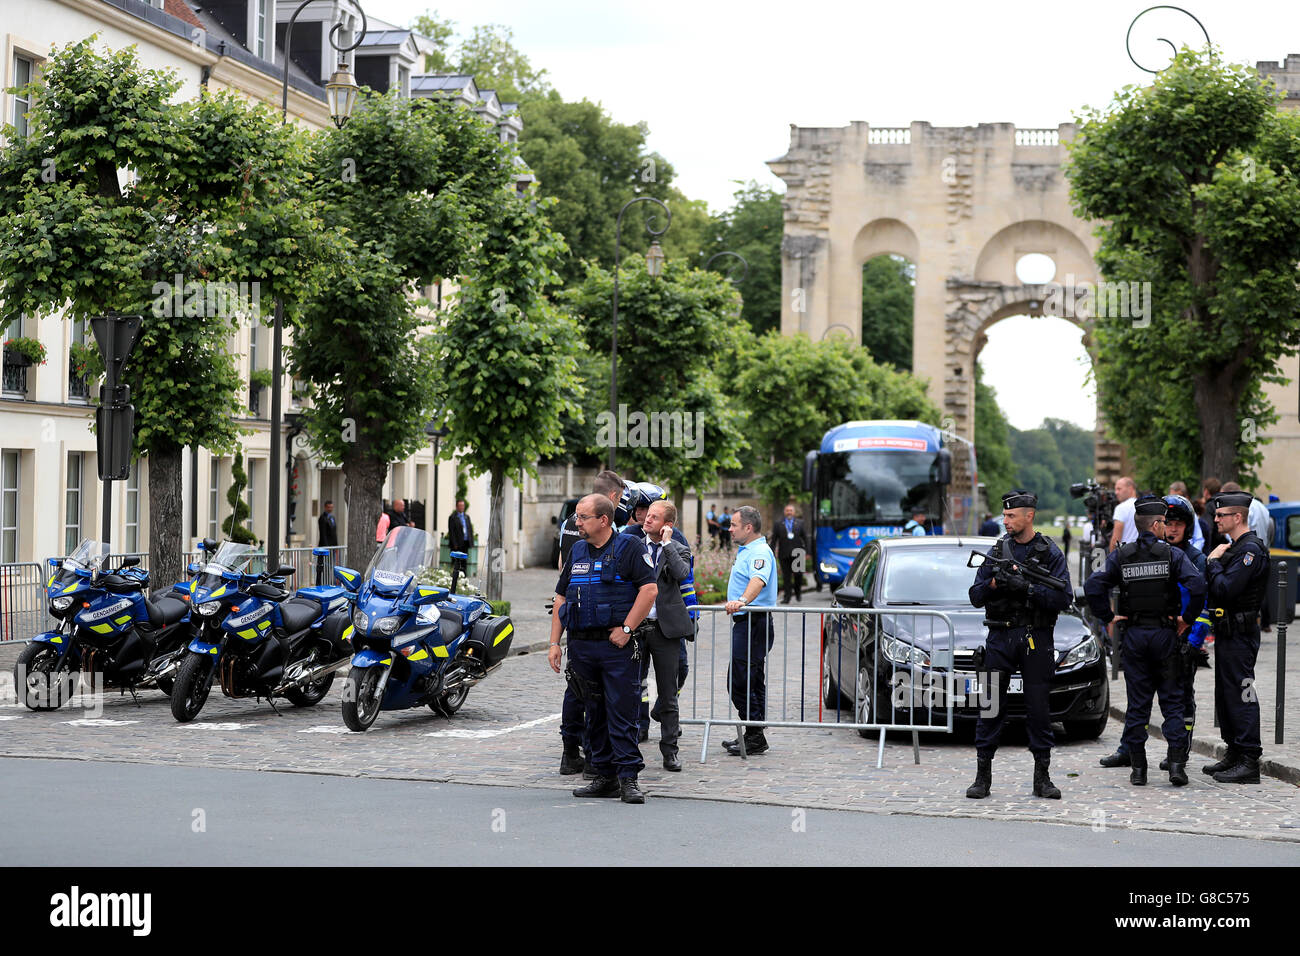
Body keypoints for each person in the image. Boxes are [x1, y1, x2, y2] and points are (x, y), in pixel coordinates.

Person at [1085, 496, 1206, 786]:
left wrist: (1108, 617)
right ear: (1155, 524)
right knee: (1173, 703)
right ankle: (1176, 766)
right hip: (1166, 635)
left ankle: (1139, 770)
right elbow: (1198, 584)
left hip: (1135, 636)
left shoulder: (1122, 555)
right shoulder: (1172, 555)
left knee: (1138, 705)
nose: (1166, 527)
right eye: (1164, 522)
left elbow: (1092, 585)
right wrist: (1186, 619)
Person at [548, 493, 658, 804]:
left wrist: (627, 629)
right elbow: (561, 598)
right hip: (582, 646)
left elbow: (649, 590)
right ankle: (604, 776)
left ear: (603, 520)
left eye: (582, 517)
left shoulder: (629, 548)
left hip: (616, 647)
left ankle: (628, 779)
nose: (577, 522)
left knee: (621, 711)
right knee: (593, 712)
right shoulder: (578, 550)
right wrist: (555, 642)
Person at [966, 490, 1072, 800]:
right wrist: (996, 583)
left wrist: (1026, 588)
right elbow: (975, 596)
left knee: (1038, 708)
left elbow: (1063, 598)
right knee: (990, 707)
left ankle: (1043, 777)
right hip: (999, 636)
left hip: (1035, 637)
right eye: (1005, 515)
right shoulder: (997, 550)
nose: (1006, 520)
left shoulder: (1050, 553)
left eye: (1012, 516)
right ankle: (982, 776)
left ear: (1029, 516)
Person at [555, 470, 626, 777]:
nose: (579, 521)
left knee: (578, 692)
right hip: (587, 627)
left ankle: (576, 753)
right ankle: (593, 757)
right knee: (596, 696)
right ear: (613, 498)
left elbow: (561, 565)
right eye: (621, 498)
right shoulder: (604, 529)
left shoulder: (568, 525)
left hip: (581, 615)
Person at [1202, 490, 1269, 784]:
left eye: (1220, 515)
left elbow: (1226, 589)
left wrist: (1212, 562)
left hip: (1241, 634)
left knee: (1243, 692)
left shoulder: (1249, 551)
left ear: (1237, 517)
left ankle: (1249, 759)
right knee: (1226, 693)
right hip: (1228, 632)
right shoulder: (1234, 547)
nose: (1215, 519)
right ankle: (1234, 751)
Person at [631, 499, 694, 772]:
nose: (647, 520)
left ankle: (670, 750)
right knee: (631, 687)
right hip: (636, 626)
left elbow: (682, 575)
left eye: (654, 517)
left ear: (667, 525)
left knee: (668, 692)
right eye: (647, 516)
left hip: (664, 629)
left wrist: (667, 545)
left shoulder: (678, 549)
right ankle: (629, 745)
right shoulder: (632, 546)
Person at [721, 506, 778, 756]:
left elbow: (758, 580)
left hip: (754, 621)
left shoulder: (759, 552)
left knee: (740, 680)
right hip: (748, 622)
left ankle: (755, 733)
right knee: (751, 679)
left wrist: (742, 600)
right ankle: (754, 733)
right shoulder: (748, 550)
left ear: (748, 527)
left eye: (734, 525)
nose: (729, 529)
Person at [773, 503, 808, 603]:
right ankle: (787, 597)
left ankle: (798, 592)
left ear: (794, 512)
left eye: (791, 510)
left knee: (798, 575)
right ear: (784, 512)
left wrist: (808, 552)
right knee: (786, 577)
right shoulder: (778, 524)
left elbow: (805, 538)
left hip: (798, 553)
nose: (789, 512)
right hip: (784, 554)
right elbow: (774, 539)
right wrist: (771, 552)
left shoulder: (800, 523)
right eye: (787, 510)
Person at [1108, 476, 1138, 552]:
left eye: (1119, 489)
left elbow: (1116, 539)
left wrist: (1111, 558)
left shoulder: (1121, 508)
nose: (1116, 492)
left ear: (1130, 488)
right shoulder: (1142, 505)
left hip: (1125, 554)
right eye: (1115, 489)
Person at [446, 499, 473, 578]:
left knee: (464, 562)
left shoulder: (466, 517)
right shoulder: (453, 517)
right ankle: (455, 578)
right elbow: (452, 531)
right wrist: (454, 544)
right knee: (456, 563)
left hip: (465, 543)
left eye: (463, 506)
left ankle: (464, 578)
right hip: (457, 545)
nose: (462, 507)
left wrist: (471, 542)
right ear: (457, 507)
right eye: (460, 506)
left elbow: (469, 529)